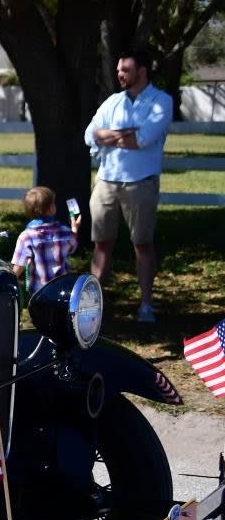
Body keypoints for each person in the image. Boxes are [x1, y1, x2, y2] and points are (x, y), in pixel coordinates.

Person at [83, 49, 173, 323]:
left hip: (141, 183)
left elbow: (144, 139)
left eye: (126, 70)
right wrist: (126, 133)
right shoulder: (112, 102)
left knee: (142, 244)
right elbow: (90, 134)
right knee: (101, 244)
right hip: (106, 181)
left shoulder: (162, 101)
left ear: (142, 72)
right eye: (119, 69)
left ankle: (146, 305)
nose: (120, 74)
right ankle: (93, 307)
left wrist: (109, 137)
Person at [11, 186, 80, 293]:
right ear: (51, 208)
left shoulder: (26, 237)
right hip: (63, 291)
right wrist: (74, 229)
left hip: (39, 293)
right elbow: (73, 247)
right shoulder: (64, 231)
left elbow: (19, 266)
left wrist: (9, 280)